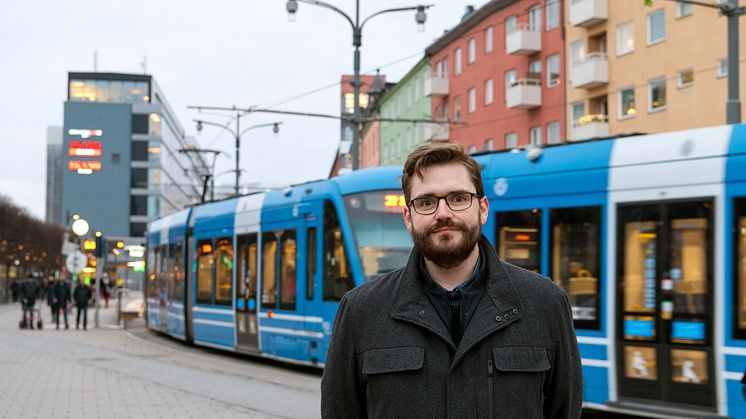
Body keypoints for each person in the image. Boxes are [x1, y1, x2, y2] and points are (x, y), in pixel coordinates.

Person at [320, 144, 582, 418]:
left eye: (458, 198)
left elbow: (565, 409)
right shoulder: (361, 311)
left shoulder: (546, 303)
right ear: (408, 217)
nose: (443, 213)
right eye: (426, 202)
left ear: (482, 209)